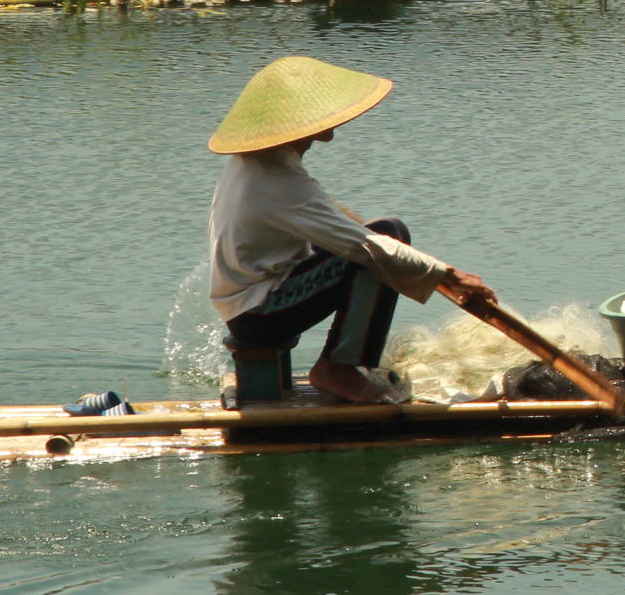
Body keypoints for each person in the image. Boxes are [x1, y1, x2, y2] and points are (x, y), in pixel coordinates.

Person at [207, 55, 497, 405]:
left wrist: (424, 267)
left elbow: (330, 216)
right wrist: (449, 276)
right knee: (377, 252)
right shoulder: (273, 176)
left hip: (255, 300)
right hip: (258, 312)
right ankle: (338, 366)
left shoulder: (260, 161)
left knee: (387, 235)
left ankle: (342, 363)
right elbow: (363, 246)